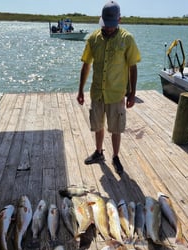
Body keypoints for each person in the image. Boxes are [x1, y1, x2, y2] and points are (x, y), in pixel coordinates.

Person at [77, 1, 141, 175]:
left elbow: (132, 67)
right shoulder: (93, 39)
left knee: (116, 128)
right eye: (107, 25)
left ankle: (115, 156)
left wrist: (132, 94)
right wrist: (80, 90)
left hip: (117, 94)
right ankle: (98, 153)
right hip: (97, 92)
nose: (109, 28)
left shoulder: (127, 39)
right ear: (101, 20)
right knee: (98, 125)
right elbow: (86, 65)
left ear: (119, 20)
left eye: (113, 25)